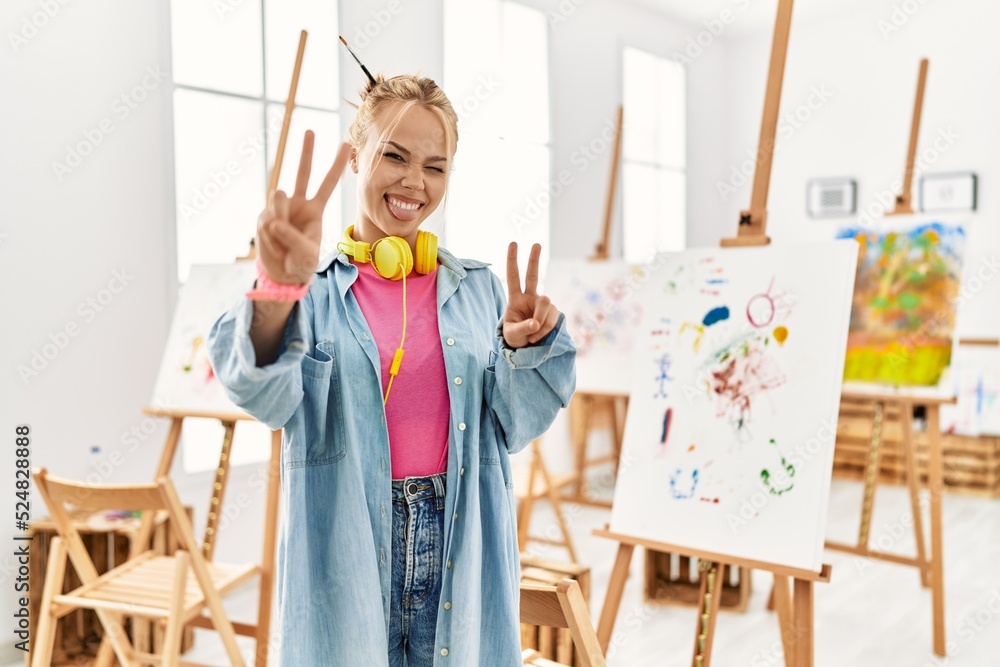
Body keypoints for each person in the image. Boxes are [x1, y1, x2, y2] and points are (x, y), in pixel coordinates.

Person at [207, 73, 576, 666]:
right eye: (394, 156)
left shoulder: (480, 290)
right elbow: (260, 395)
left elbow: (518, 424)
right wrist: (278, 289)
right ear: (356, 157)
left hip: (460, 541)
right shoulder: (314, 293)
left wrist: (525, 350)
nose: (414, 182)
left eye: (436, 166)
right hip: (346, 545)